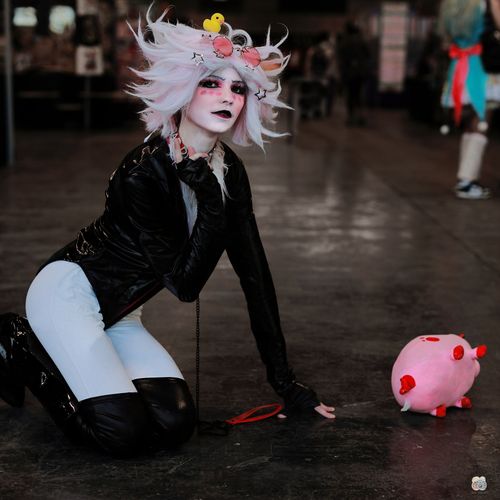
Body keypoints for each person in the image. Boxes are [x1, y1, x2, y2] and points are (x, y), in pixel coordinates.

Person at [0, 9, 335, 457]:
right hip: (68, 295)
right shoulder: (143, 171)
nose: (227, 97)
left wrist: (285, 382)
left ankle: (86, 363)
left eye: (238, 88)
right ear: (182, 90)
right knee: (120, 432)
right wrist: (210, 203)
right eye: (211, 83)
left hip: (122, 314)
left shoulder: (229, 171)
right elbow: (184, 284)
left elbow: (255, 275)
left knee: (175, 424)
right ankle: (19, 342)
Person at [439, 0, 500, 199]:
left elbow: (445, 39)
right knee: (482, 120)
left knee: (471, 121)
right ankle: (466, 181)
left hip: (460, 64)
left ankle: (465, 178)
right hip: (483, 65)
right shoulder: (489, 2)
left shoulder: (451, 3)